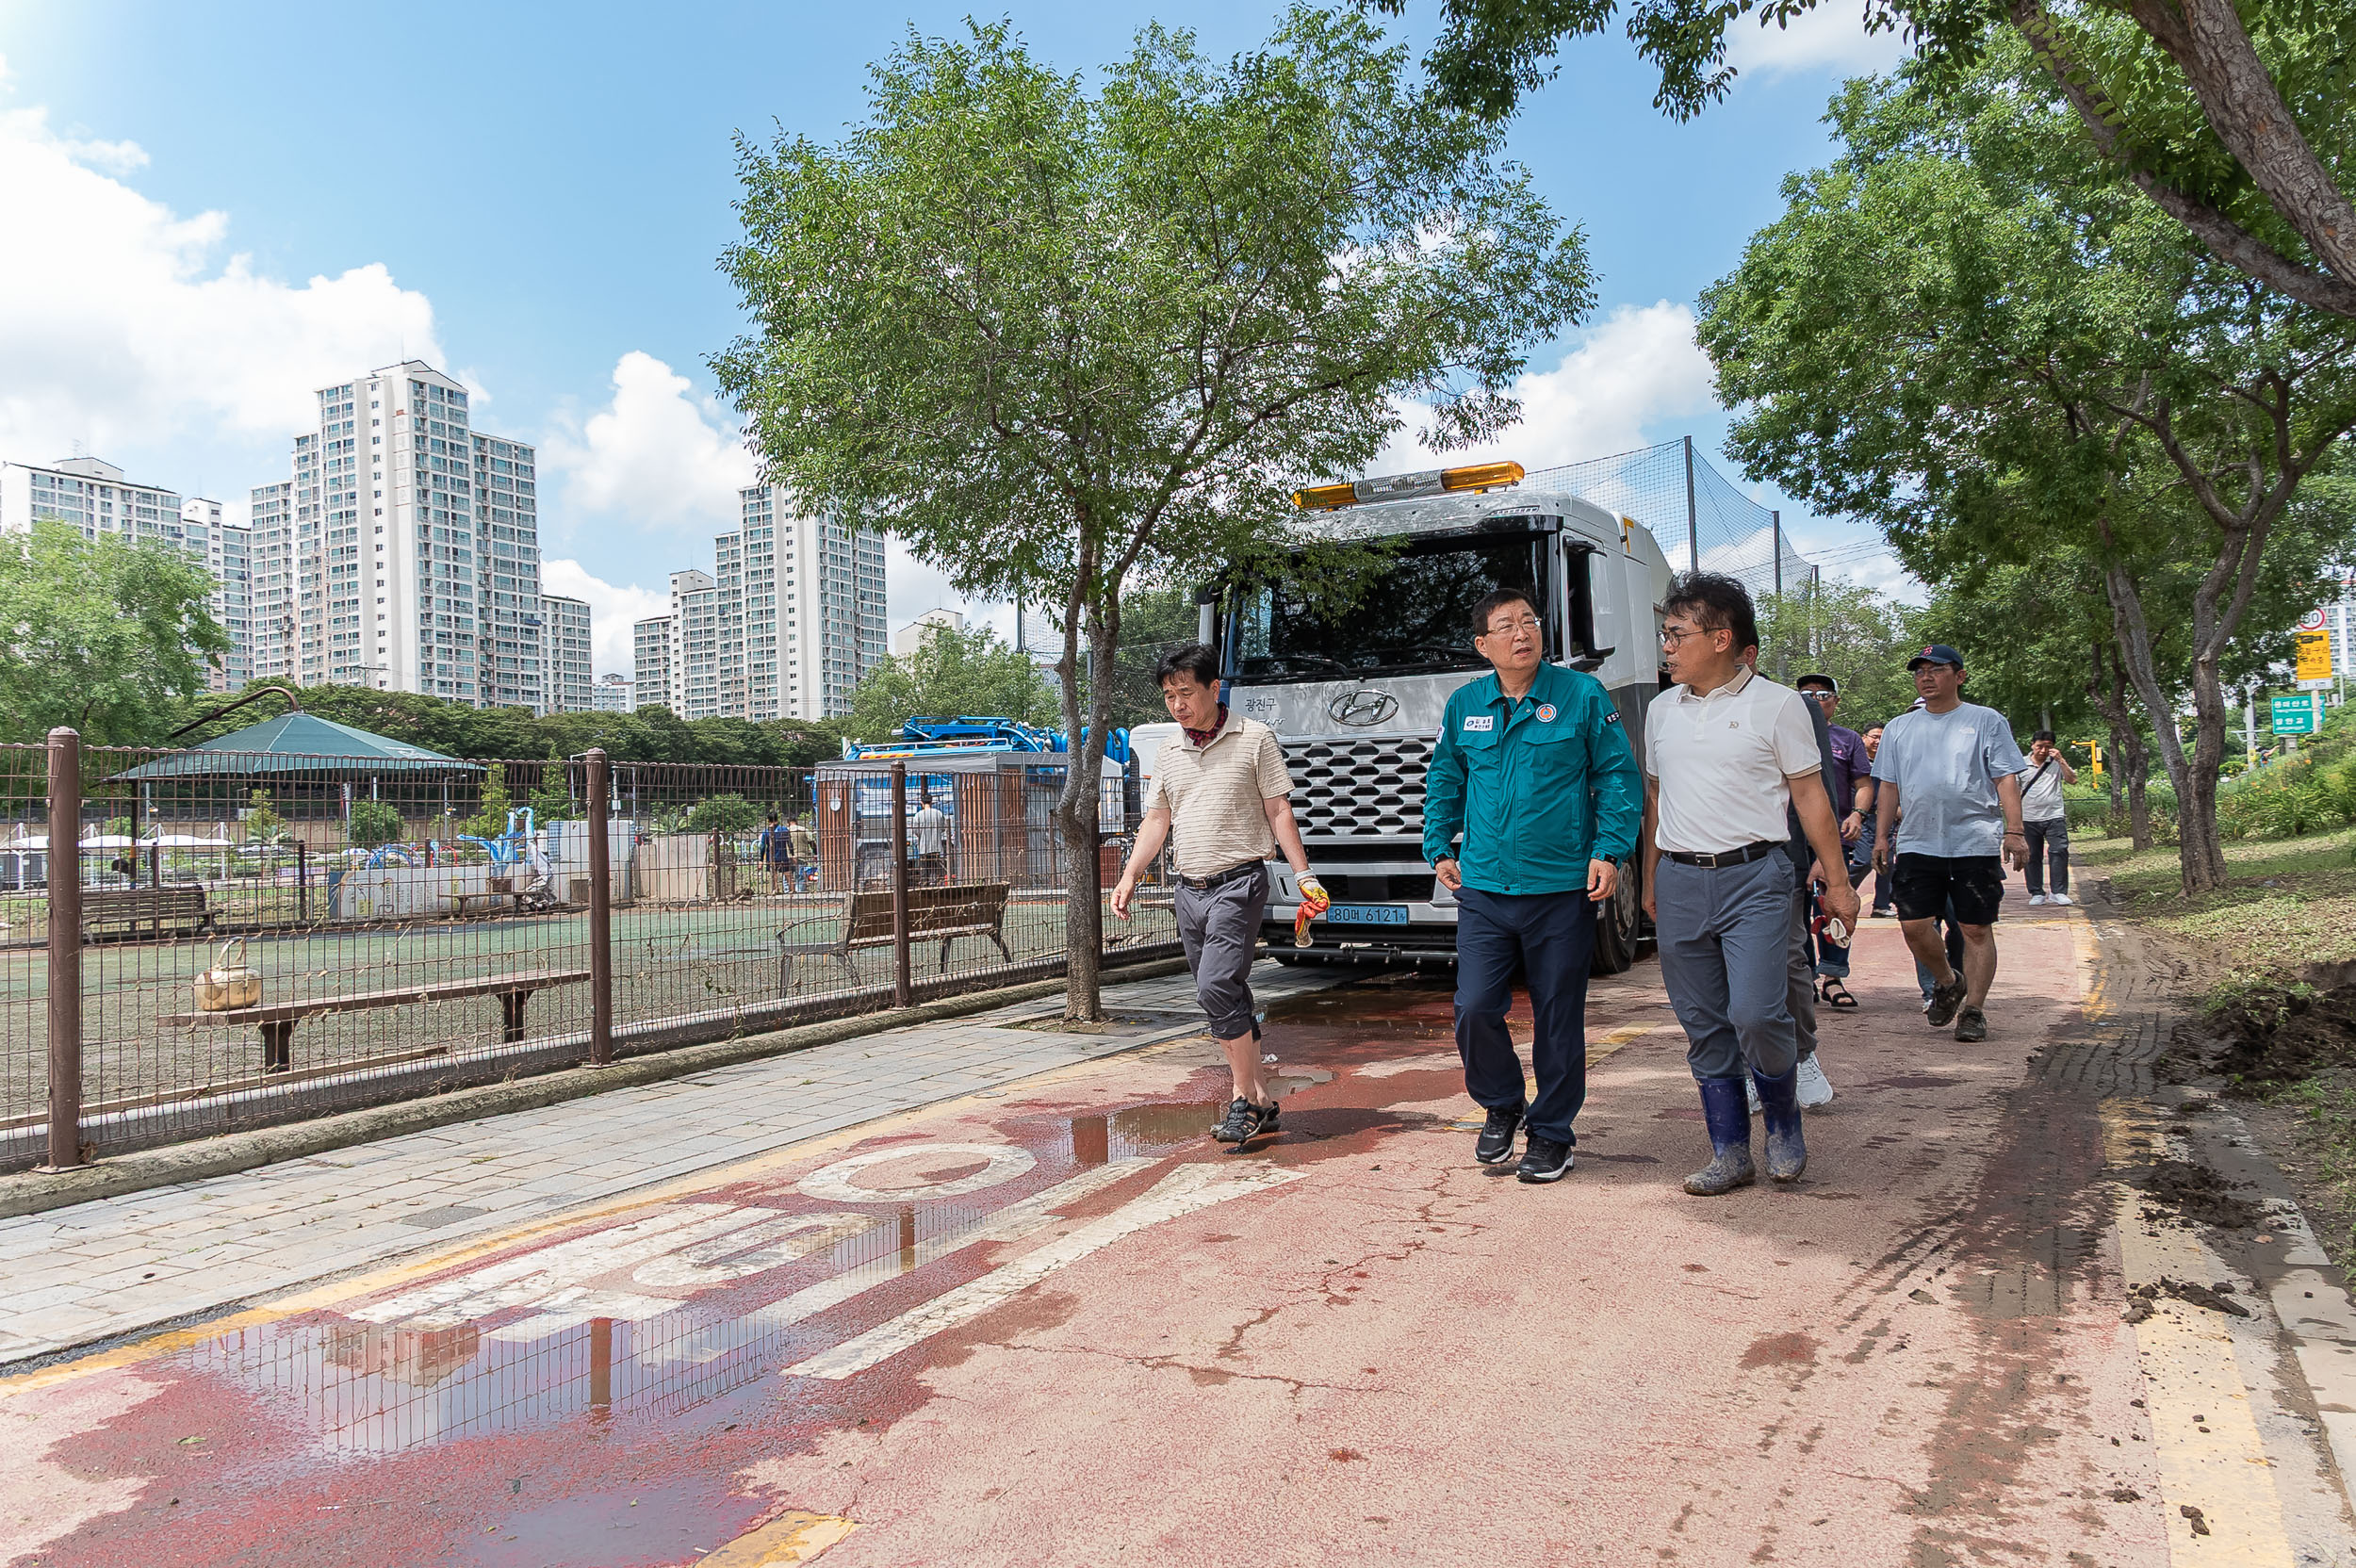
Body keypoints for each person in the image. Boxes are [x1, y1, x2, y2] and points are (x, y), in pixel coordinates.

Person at [1642, 573, 1858, 1197]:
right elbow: (1658, 798)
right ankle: (1730, 1153)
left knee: (1759, 1014)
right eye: (1666, 633)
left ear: (1721, 638)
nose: (1667, 645)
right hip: (1683, 880)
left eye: (1677, 633)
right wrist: (1654, 877)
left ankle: (1785, 1126)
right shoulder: (1661, 710)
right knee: (1704, 1023)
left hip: (1757, 878)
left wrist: (1839, 886)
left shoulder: (1780, 705)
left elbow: (1812, 798)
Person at [1423, 588, 1643, 1184]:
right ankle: (1501, 1103)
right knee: (1473, 1007)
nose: (1522, 634)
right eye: (1506, 626)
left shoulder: (1581, 696)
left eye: (1530, 623)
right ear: (1483, 644)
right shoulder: (1465, 704)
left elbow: (1618, 779)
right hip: (1487, 890)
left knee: (1558, 1017)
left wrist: (1609, 851)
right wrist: (1439, 844)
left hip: (1560, 890)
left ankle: (1551, 1134)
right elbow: (1446, 778)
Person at [1111, 645, 1324, 1147]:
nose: (1178, 704)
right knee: (1227, 994)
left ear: (1214, 688)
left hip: (1238, 882)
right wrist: (1129, 875)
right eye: (1169, 695)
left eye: (1187, 692)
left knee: (1213, 988)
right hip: (1188, 888)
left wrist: (1305, 875)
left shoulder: (1255, 739)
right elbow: (1157, 820)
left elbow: (1279, 811)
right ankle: (1266, 1100)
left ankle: (1242, 1102)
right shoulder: (1168, 751)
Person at [1871, 645, 2030, 1043]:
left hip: (1973, 840)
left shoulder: (1984, 721)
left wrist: (2015, 829)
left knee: (1975, 927)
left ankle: (1974, 1010)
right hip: (1917, 841)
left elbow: (2005, 777)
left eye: (1936, 669)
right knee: (1913, 926)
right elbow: (1888, 785)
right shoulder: (1898, 728)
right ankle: (1947, 980)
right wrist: (1881, 837)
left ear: (1959, 676)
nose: (1926, 677)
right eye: (1920, 671)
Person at [1793, 674, 1873, 1011]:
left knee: (1833, 905)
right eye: (1806, 694)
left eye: (1823, 694)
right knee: (1795, 909)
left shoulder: (1848, 739)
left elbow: (1864, 783)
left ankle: (1833, 977)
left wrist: (1857, 814)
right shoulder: (1787, 734)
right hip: (1792, 835)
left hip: (1833, 836)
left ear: (1836, 701)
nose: (1815, 699)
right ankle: (1804, 976)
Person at [2019, 731, 2077, 906]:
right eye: (2040, 746)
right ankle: (2036, 892)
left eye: (2048, 747)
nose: (2043, 750)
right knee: (2032, 855)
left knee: (2059, 851)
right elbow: (2013, 790)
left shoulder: (2056, 763)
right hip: (2028, 817)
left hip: (2054, 816)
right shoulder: (2020, 764)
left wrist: (2061, 760)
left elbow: (2072, 780)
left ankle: (2058, 892)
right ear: (2032, 745)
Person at [1854, 723, 1893, 918]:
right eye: (1874, 737)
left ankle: (1882, 905)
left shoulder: (1889, 762)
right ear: (1864, 738)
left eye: (1882, 738)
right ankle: (1844, 891)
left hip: (1885, 818)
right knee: (1862, 860)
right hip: (1863, 817)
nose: (1878, 742)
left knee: (1886, 862)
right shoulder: (1857, 762)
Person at [910, 789, 951, 886]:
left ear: (921, 803)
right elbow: (942, 828)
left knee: (924, 869)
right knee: (934, 868)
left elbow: (916, 831)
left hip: (923, 847)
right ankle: (934, 884)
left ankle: (924, 885)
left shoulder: (918, 815)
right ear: (931, 802)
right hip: (936, 846)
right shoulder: (938, 813)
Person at [758, 810, 794, 894]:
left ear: (768, 820)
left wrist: (760, 859)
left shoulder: (766, 832)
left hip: (771, 856)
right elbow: (789, 843)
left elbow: (763, 846)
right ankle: (792, 889)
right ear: (777, 819)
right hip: (783, 855)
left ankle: (775, 889)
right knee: (787, 873)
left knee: (773, 873)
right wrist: (792, 854)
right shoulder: (784, 830)